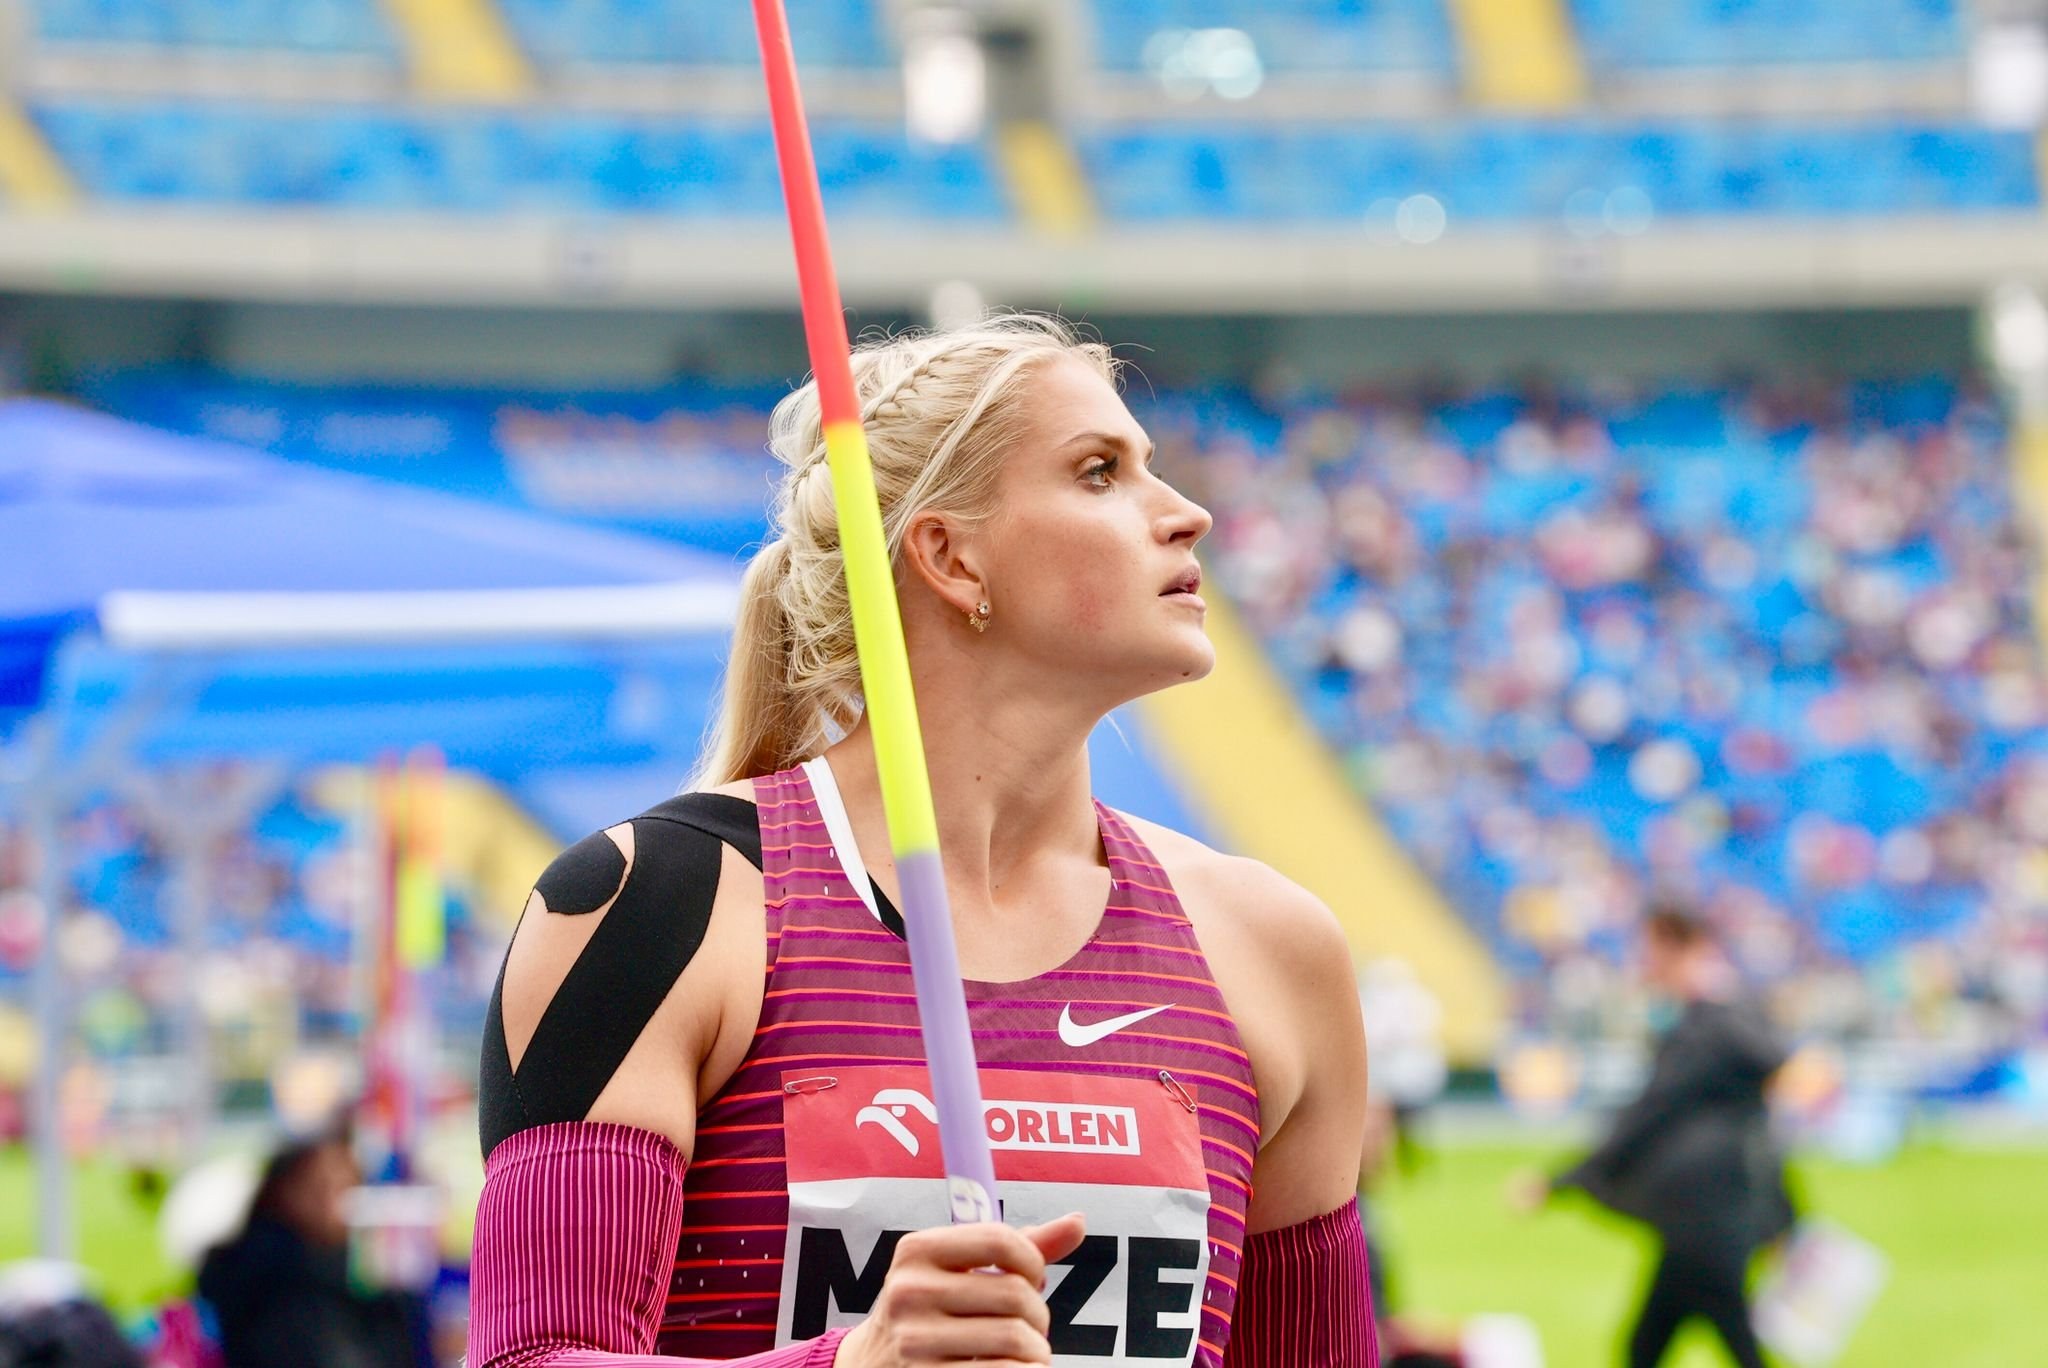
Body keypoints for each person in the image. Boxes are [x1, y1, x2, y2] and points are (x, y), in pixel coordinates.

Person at [470, 314, 1377, 1366]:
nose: (1186, 515)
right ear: (949, 555)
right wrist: (854, 1363)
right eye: (1098, 472)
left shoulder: (1271, 951)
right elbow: (525, 1356)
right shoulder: (666, 905)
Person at [1510, 905, 1793, 1368]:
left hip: (1706, 1223)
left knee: (1704, 1347)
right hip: (1707, 1221)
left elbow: (1647, 1117)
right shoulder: (1717, 1023)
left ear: (1673, 947)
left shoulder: (1710, 1028)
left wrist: (1561, 1182)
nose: (1641, 962)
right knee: (1649, 1347)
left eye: (1648, 949)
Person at [197, 1131, 429, 1368]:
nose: (343, 1203)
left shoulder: (308, 1269)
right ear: (286, 1191)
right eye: (327, 1187)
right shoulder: (283, 1282)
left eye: (351, 1184)